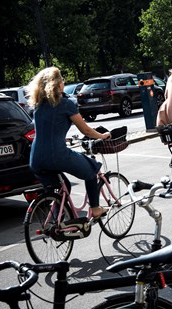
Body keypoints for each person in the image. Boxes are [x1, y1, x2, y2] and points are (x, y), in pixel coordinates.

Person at [27, 67, 111, 220]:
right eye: (62, 81)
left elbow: (47, 130)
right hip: (56, 155)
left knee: (62, 188)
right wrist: (103, 135)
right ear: (58, 84)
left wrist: (61, 138)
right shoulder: (65, 103)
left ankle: (57, 222)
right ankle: (96, 208)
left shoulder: (38, 105)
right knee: (91, 170)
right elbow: (86, 130)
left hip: (36, 159)